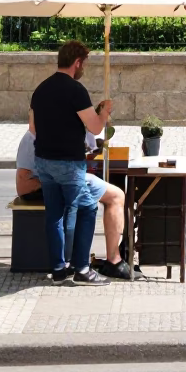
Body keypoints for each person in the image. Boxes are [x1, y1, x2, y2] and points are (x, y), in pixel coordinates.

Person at [29, 40, 112, 286]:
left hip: (43, 160)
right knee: (87, 208)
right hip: (69, 162)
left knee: (54, 214)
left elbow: (32, 128)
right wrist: (104, 112)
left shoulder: (41, 89)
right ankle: (82, 269)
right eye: (84, 63)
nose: (84, 67)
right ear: (77, 63)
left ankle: (57, 269)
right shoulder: (76, 90)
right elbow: (95, 127)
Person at [15, 120, 131, 280]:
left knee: (85, 202)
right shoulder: (32, 139)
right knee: (114, 196)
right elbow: (22, 185)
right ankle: (110, 260)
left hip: (61, 182)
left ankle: (69, 265)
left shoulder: (48, 133)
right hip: (50, 187)